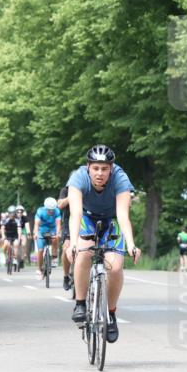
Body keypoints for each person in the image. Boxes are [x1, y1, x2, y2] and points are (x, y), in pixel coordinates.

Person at [66, 145, 140, 343]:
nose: (100, 173)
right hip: (87, 219)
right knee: (83, 254)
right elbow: (75, 214)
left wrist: (131, 244)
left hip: (112, 220)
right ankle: (80, 303)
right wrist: (73, 243)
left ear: (111, 168)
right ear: (88, 167)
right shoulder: (77, 178)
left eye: (104, 169)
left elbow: (123, 215)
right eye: (96, 168)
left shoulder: (120, 179)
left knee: (115, 268)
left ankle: (111, 313)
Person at [34, 197, 61, 279]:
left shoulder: (57, 211)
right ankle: (39, 269)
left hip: (52, 230)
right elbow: (36, 224)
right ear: (46, 208)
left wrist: (58, 233)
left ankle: (54, 257)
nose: (51, 211)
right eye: (49, 209)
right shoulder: (40, 211)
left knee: (55, 238)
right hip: (41, 231)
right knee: (40, 250)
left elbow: (58, 224)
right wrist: (35, 233)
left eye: (52, 209)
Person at [56, 186, 72, 290]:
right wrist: (72, 197)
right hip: (69, 222)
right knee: (66, 248)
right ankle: (66, 276)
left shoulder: (88, 187)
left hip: (85, 221)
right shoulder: (65, 190)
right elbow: (60, 205)